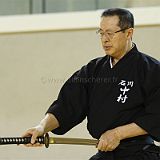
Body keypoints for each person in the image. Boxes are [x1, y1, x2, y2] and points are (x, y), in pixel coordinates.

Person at [22, 8, 160, 160]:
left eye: (110, 33)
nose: (104, 39)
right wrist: (41, 127)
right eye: (101, 33)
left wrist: (118, 134)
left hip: (140, 153)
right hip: (105, 154)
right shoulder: (93, 70)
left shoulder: (151, 69)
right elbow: (66, 105)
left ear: (129, 33)